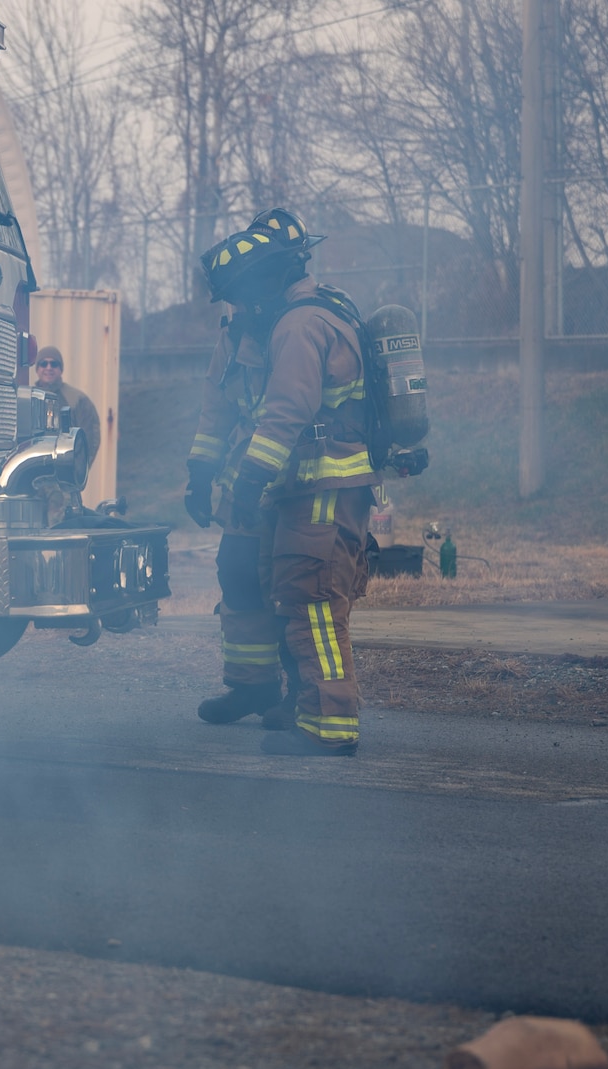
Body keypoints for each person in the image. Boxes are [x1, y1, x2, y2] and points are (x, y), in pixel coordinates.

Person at [184, 208, 376, 756]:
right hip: (273, 484)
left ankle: (327, 720)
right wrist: (201, 472)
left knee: (309, 594)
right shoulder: (249, 327)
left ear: (271, 277)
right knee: (240, 571)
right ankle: (255, 685)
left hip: (320, 483)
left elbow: (287, 412)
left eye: (240, 293)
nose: (235, 305)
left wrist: (250, 479)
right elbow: (219, 407)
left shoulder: (302, 324)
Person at [31, 347, 102, 470]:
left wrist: (77, 471)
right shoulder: (28, 398)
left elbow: (90, 439)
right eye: (43, 363)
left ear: (61, 369)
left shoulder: (77, 399)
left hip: (63, 477)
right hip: (33, 476)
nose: (49, 368)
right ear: (37, 369)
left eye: (54, 364)